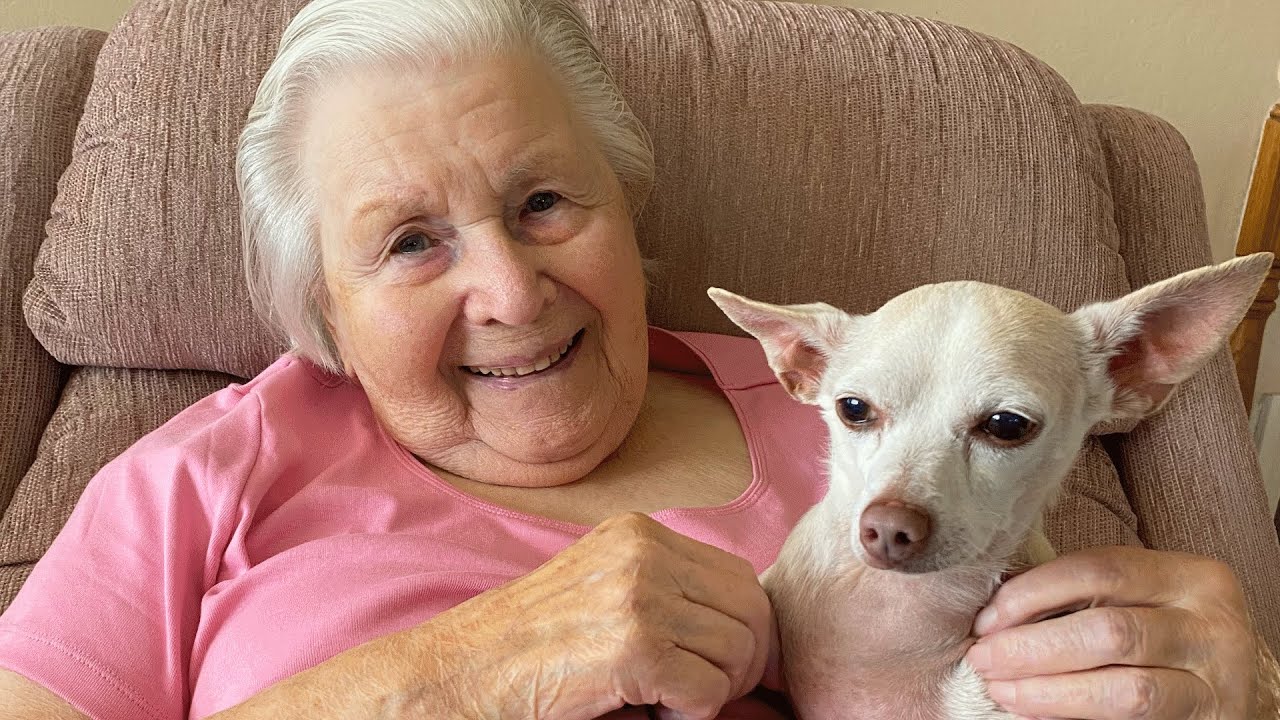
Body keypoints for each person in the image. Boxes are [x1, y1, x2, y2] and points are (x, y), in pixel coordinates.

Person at [0, 0, 1263, 718]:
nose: (506, 288)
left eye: (546, 202)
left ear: (629, 211)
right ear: (321, 306)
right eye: (409, 241)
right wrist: (459, 673)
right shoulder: (205, 473)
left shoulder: (860, 399)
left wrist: (1240, 692)